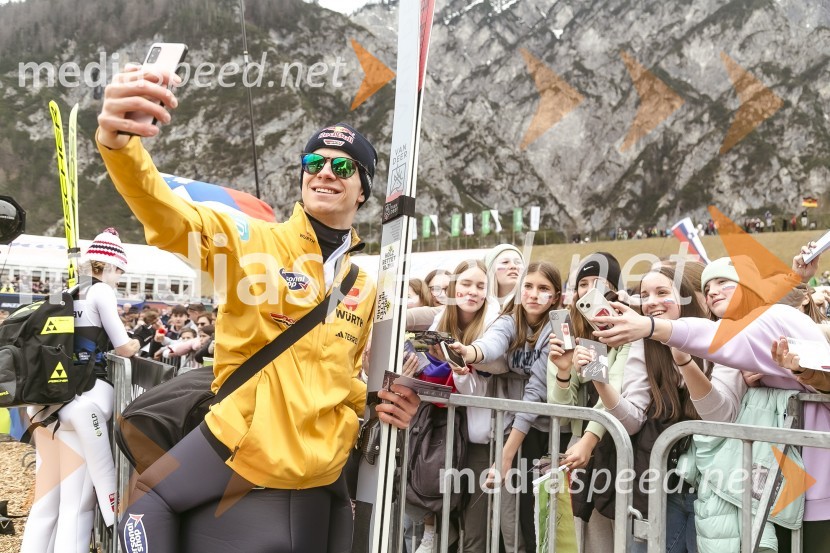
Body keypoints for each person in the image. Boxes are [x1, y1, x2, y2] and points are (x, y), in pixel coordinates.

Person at [97, 64, 419, 552]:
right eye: (314, 163)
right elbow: (167, 213)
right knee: (143, 509)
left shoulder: (362, 285)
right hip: (241, 446)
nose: (325, 172)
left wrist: (382, 402)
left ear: (364, 189)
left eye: (343, 166)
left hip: (322, 471)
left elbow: (342, 376)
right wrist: (120, 145)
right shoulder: (253, 240)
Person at [593, 256, 830, 548]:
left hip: (812, 482)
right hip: (764, 484)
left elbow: (724, 343)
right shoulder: (731, 334)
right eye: (707, 287)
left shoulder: (777, 317)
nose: (713, 291)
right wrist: (600, 378)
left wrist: (652, 327)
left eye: (723, 282)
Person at [22, 228, 141, 553]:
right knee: (77, 507)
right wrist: (135, 341)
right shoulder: (101, 292)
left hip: (48, 405)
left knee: (46, 503)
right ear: (109, 266)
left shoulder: (66, 292)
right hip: (86, 402)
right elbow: (123, 347)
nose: (119, 278)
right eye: (120, 271)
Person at [452, 261, 562, 552]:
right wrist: (471, 352)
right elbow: (493, 342)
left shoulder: (557, 329)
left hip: (548, 433)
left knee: (541, 519)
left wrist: (505, 456)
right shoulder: (511, 318)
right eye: (528, 286)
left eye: (543, 289)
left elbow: (536, 392)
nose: (533, 295)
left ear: (556, 296)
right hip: (517, 429)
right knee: (518, 518)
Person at [484, 243, 524, 308]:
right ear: (491, 269)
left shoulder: (534, 309)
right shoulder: (480, 310)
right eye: (505, 262)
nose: (513, 266)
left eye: (518, 262)